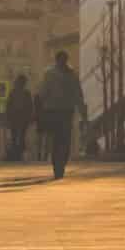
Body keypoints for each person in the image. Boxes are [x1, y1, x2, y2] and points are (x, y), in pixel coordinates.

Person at [35, 50, 85, 179]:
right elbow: (43, 91)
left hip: (64, 111)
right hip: (55, 111)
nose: (62, 62)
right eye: (61, 60)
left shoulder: (71, 74)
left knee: (64, 139)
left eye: (64, 59)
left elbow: (78, 94)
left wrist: (82, 110)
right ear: (57, 60)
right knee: (59, 139)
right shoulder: (51, 74)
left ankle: (60, 163)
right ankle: (58, 166)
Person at [2, 73, 35, 161]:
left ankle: (17, 154)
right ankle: (17, 154)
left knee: (17, 137)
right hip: (19, 119)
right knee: (19, 137)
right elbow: (30, 106)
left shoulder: (16, 93)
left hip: (18, 118)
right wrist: (31, 117)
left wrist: (7, 118)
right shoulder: (22, 93)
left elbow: (9, 106)